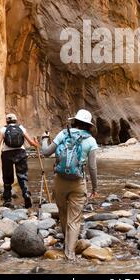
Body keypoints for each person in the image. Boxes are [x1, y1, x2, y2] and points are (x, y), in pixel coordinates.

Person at [41, 109, 98, 261]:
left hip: (59, 180)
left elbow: (46, 152)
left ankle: (67, 242)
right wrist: (94, 188)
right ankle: (70, 254)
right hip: (78, 183)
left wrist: (44, 138)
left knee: (63, 213)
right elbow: (92, 167)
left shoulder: (63, 134)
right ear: (88, 125)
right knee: (74, 219)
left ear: (75, 121)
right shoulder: (91, 141)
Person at [0, 113, 38, 208]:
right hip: (21, 153)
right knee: (22, 175)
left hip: (6, 154)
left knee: (7, 177)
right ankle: (26, 194)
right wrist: (36, 144)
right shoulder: (21, 128)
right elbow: (30, 142)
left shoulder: (3, 129)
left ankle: (8, 200)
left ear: (7, 121)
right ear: (16, 120)